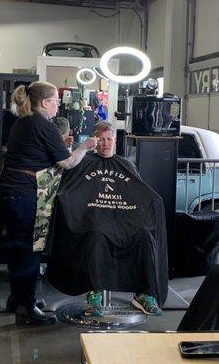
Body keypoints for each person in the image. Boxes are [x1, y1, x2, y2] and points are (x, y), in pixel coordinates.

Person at [0, 81, 98, 326]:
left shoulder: (23, 122)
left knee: (17, 248)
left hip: (12, 191)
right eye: (55, 101)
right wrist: (86, 146)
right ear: (44, 103)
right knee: (29, 249)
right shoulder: (43, 125)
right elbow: (68, 162)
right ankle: (27, 308)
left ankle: (19, 297)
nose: (58, 107)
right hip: (26, 194)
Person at [47, 121, 168, 317]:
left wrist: (155, 201)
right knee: (97, 234)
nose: (105, 144)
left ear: (115, 140)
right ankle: (94, 295)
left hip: (124, 219)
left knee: (144, 235)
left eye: (109, 139)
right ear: (94, 141)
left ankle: (144, 294)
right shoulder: (83, 163)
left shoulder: (126, 165)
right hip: (93, 218)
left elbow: (140, 193)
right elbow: (68, 191)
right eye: (101, 139)